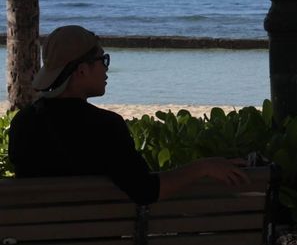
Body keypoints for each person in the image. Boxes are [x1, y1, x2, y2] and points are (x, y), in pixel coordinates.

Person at [8, 25, 248, 204]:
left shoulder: (23, 123)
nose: (106, 69)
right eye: (102, 60)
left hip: (37, 243)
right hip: (98, 244)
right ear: (82, 70)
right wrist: (202, 167)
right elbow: (147, 191)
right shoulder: (104, 126)